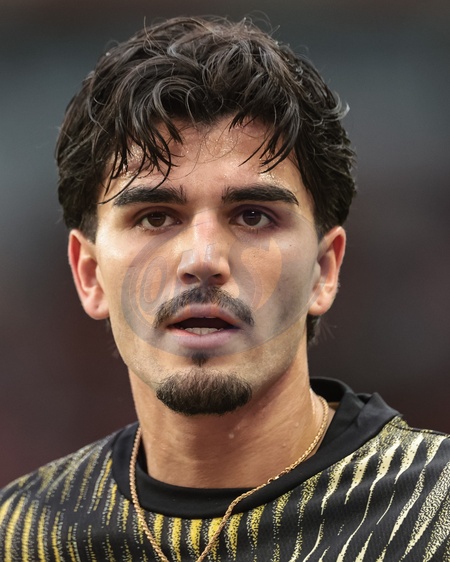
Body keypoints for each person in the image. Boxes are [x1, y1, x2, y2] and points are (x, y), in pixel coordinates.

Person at [1, 15, 449, 562]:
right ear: (89, 275)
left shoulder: (436, 514)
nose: (204, 260)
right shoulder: (22, 536)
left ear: (324, 270)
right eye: (155, 217)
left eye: (253, 215)